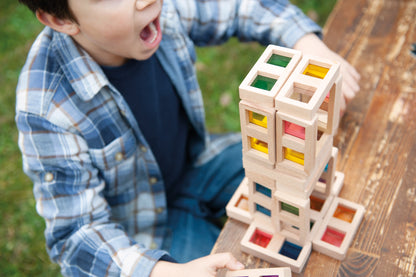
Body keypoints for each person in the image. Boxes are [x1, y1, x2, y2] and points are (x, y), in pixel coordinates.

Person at [15, 0, 360, 276]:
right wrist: (163, 272)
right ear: (61, 21)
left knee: (301, 170)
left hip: (198, 165)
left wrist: (307, 43)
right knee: (236, 267)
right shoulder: (45, 104)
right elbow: (75, 236)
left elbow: (243, 7)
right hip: (146, 233)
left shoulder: (164, 10)